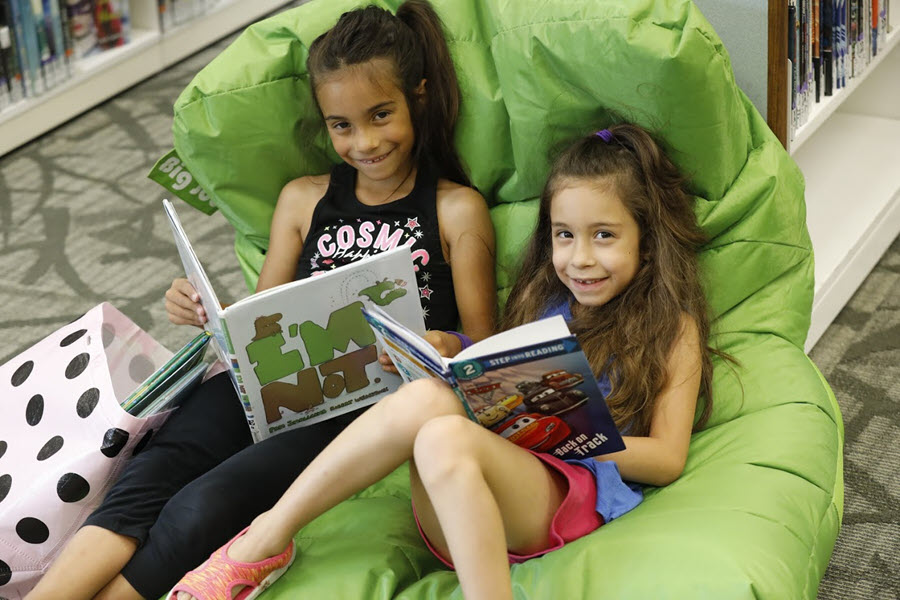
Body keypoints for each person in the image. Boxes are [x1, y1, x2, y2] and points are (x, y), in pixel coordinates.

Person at [26, 2, 495, 599]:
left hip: (352, 405)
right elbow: (257, 318)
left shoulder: (456, 209)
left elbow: (485, 344)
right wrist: (202, 312)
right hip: (259, 387)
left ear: (418, 98)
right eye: (342, 125)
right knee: (148, 476)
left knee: (202, 505)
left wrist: (445, 343)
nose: (365, 142)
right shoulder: (303, 199)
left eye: (381, 115)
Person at [167, 122, 724, 600]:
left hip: (569, 499)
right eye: (564, 235)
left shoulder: (671, 326)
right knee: (428, 400)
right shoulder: (542, 300)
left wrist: (554, 434)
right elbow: (493, 376)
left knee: (439, 435)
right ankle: (263, 543)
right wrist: (453, 351)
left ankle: (263, 545)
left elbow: (668, 458)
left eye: (604, 236)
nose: (580, 258)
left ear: (647, 241)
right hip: (463, 507)